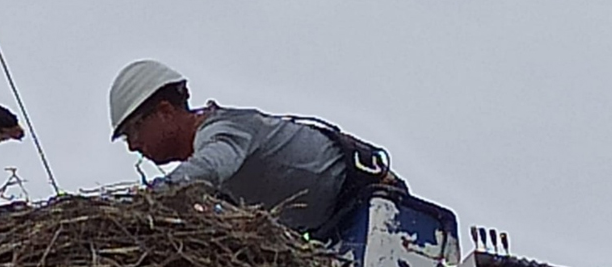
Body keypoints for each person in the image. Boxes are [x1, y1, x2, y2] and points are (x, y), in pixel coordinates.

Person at [109, 60, 407, 243]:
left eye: (134, 131)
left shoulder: (224, 130)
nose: (134, 146)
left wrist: (150, 199)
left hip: (378, 203)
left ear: (163, 111)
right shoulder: (219, 186)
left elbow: (211, 165)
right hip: (336, 230)